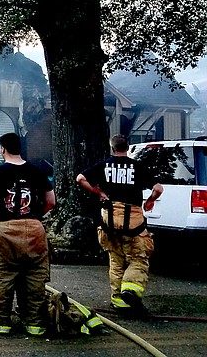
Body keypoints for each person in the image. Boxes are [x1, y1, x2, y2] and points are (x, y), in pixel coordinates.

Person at [0, 132, 55, 336]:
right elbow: (51, 201)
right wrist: (33, 218)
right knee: (34, 276)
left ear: (2, 149)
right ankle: (35, 324)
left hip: (4, 230)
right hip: (34, 228)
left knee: (2, 274)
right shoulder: (37, 171)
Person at [76, 134, 163, 314]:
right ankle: (130, 290)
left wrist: (98, 192)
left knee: (115, 259)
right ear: (127, 147)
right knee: (138, 257)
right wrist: (150, 202)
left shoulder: (104, 165)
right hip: (133, 221)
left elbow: (80, 179)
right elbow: (158, 188)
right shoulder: (137, 167)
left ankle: (117, 300)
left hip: (109, 218)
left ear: (112, 147)